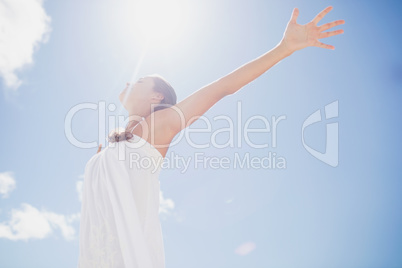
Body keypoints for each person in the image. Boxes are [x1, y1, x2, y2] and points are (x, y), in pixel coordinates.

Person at [78, 6, 345, 268]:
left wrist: (284, 48)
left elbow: (222, 88)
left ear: (156, 96)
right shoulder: (110, 147)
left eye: (140, 81)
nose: (130, 82)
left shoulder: (160, 124)